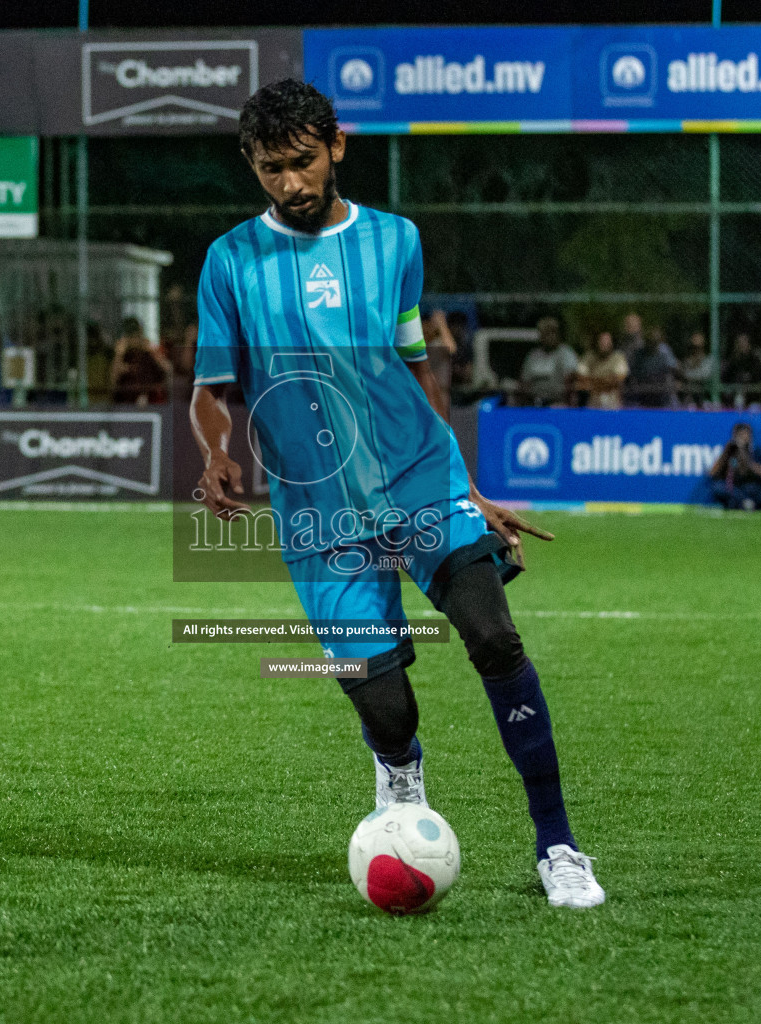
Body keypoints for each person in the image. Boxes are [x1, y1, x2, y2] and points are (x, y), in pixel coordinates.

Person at [190, 79, 603, 909]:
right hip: (319, 513)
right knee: (385, 701)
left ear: (337, 146)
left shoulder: (396, 241)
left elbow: (417, 368)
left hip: (420, 481)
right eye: (271, 169)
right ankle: (398, 769)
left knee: (494, 636)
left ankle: (558, 844)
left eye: (302, 162)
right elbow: (211, 386)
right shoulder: (229, 261)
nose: (291, 184)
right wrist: (215, 451)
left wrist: (470, 486)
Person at [707, 422, 761, 511]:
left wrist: (747, 462)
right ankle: (744, 504)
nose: (743, 438)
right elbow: (713, 472)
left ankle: (750, 504)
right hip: (737, 489)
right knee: (718, 488)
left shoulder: (758, 452)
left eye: (745, 435)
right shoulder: (730, 451)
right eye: (740, 435)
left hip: (755, 488)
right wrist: (728, 454)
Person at [517, 315, 576, 407]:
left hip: (557, 402)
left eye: (552, 332)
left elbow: (570, 381)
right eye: (545, 333)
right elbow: (525, 381)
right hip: (534, 402)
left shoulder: (566, 353)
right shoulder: (533, 355)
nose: (549, 336)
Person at [112, 316, 171, 405]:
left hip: (151, 404)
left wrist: (152, 350)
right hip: (125, 405)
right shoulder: (123, 355)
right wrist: (119, 354)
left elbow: (168, 369)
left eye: (136, 334)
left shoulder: (148, 353)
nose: (134, 339)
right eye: (131, 335)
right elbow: (112, 381)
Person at [722, 332, 761, 409]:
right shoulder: (733, 361)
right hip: (737, 398)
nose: (742, 345)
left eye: (744, 342)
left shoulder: (758, 358)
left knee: (753, 408)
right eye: (739, 343)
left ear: (749, 343)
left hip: (757, 399)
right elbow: (726, 379)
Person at [577, 330, 628, 410]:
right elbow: (581, 378)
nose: (604, 344)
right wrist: (606, 382)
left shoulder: (618, 357)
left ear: (612, 343)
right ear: (597, 342)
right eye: (602, 341)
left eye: (607, 341)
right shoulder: (588, 357)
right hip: (593, 403)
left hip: (613, 404)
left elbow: (619, 379)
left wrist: (593, 383)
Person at [679, 330, 715, 406]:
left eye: (698, 347)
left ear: (703, 346)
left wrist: (686, 374)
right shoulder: (687, 361)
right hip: (689, 400)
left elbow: (704, 375)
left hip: (706, 399)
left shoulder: (709, 360)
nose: (695, 350)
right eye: (693, 347)